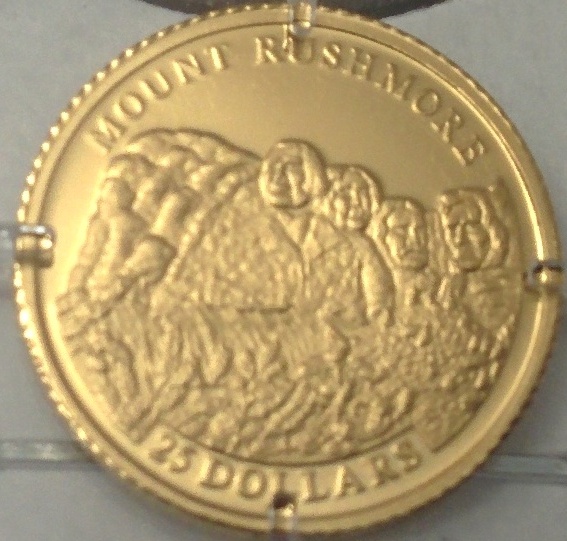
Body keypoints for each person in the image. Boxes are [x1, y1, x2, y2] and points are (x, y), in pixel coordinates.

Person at [317, 166, 393, 324]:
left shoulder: (363, 246)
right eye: (345, 194)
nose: (358, 202)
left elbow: (378, 296)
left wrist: (378, 312)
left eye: (364, 194)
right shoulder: (309, 237)